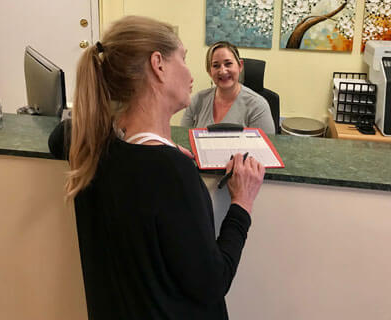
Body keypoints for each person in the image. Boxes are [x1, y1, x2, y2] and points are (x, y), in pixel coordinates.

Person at [48, 16, 265, 320]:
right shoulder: (171, 172)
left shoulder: (90, 147)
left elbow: (58, 135)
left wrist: (154, 143)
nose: (191, 74)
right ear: (158, 64)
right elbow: (213, 281)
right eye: (184, 59)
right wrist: (242, 203)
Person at [181, 41, 276, 134]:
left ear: (240, 66)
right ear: (210, 72)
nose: (222, 71)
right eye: (216, 65)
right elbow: (182, 139)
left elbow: (263, 148)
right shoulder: (197, 101)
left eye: (228, 64)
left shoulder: (258, 106)